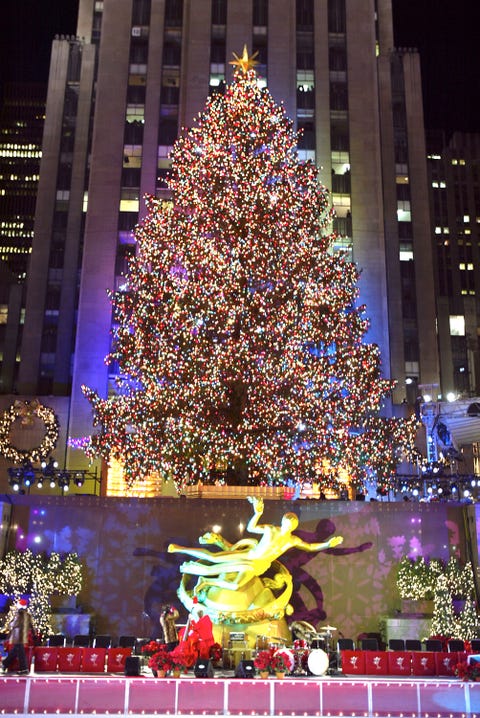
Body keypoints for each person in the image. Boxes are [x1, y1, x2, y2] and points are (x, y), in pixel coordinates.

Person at [168, 495, 343, 593]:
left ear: (294, 527)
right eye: (288, 522)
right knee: (214, 557)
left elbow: (310, 547)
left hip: (258, 566)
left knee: (236, 585)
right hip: (249, 555)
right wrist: (257, 513)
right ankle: (179, 549)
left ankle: (207, 582)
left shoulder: (292, 540)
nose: (290, 525)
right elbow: (252, 527)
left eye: (293, 524)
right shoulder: (271, 529)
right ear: (283, 522)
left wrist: (327, 544)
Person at [2, 598, 35, 674]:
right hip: (23, 636)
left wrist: (10, 625)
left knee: (19, 652)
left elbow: (13, 624)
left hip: (17, 636)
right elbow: (31, 625)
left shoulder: (18, 615)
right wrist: (34, 634)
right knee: (17, 651)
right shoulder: (28, 615)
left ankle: (22, 669)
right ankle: (5, 664)